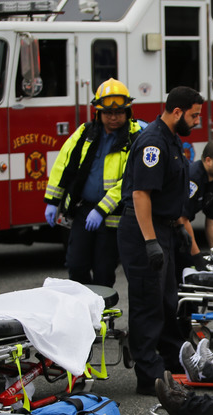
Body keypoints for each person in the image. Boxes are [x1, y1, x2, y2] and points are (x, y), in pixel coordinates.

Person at [118, 86, 204, 395]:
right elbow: (141, 194)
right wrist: (151, 241)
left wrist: (176, 226)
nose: (197, 121)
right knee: (148, 304)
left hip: (163, 228)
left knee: (168, 301)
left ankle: (173, 360)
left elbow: (169, 193)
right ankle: (149, 375)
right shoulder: (154, 142)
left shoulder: (171, 139)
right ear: (177, 112)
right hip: (144, 231)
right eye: (194, 115)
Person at [43, 78, 145, 287]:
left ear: (128, 112)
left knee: (104, 272)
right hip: (83, 211)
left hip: (112, 217)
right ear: (98, 112)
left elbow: (129, 181)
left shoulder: (135, 138)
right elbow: (63, 163)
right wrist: (52, 200)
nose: (113, 117)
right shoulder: (85, 132)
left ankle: (101, 317)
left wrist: (101, 209)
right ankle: (85, 309)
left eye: (119, 112)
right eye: (108, 113)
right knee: (75, 265)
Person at [177, 139, 213, 271]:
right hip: (165, 229)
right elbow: (182, 218)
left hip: (180, 230)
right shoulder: (193, 178)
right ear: (208, 161)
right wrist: (196, 256)